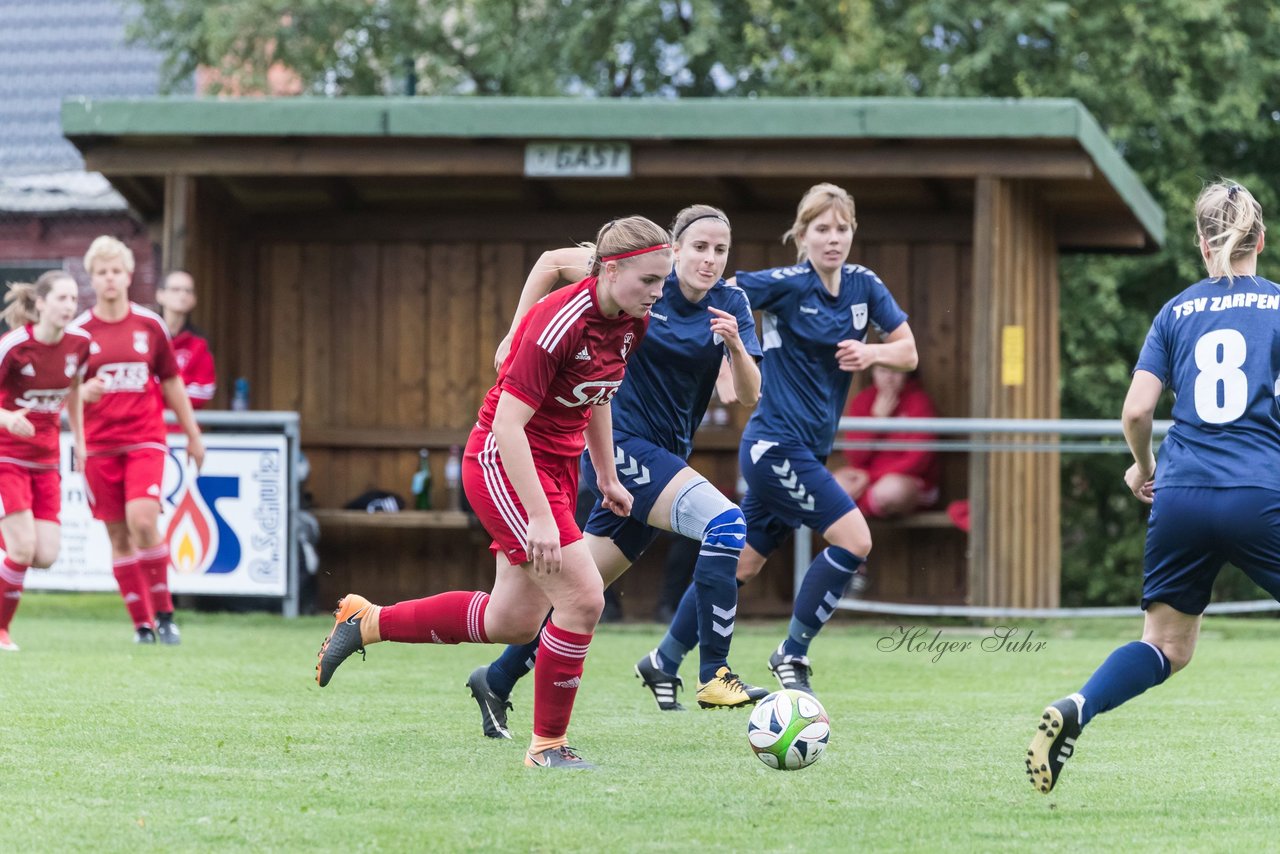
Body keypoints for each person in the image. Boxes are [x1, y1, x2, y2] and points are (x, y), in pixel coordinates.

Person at [316, 216, 670, 770]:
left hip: (555, 466)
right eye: (649, 280)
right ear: (613, 268)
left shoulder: (631, 321)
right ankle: (547, 747)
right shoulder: (558, 322)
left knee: (513, 622)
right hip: (504, 462)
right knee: (583, 598)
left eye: (663, 282)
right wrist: (540, 518)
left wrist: (607, 476)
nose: (658, 293)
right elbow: (507, 428)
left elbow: (597, 393)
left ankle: (366, 622)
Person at [464, 205, 766, 737]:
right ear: (674, 249)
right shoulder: (637, 272)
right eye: (699, 247)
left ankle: (498, 677)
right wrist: (514, 335)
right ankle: (713, 671)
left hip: (666, 458)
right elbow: (550, 263)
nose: (709, 259)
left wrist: (738, 348)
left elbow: (743, 394)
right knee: (727, 526)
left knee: (576, 596)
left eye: (721, 249)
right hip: (623, 446)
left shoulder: (731, 303)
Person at [1028, 180, 1280, 794]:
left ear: (1201, 243)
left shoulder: (1174, 311)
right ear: (1262, 239)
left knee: (1166, 644)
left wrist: (1144, 468)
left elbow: (1137, 411)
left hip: (1182, 494)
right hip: (1258, 490)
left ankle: (1079, 706)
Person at [655, 183, 918, 699]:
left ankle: (663, 659)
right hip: (775, 447)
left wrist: (873, 356)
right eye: (822, 229)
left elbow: (908, 351)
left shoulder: (865, 285)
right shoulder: (784, 284)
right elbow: (718, 293)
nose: (833, 239)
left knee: (740, 565)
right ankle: (792, 653)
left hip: (808, 450)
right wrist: (725, 366)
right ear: (802, 235)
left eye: (842, 229)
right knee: (855, 539)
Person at [69, 237, 206, 645]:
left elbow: (171, 381)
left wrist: (193, 434)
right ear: (92, 278)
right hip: (98, 446)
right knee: (118, 536)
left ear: (129, 275)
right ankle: (142, 624)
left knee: (143, 521)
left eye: (116, 271)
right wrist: (80, 404)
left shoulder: (150, 325)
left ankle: (165, 614)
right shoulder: (78, 334)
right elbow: (63, 390)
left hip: (145, 439)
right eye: (101, 272)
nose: (109, 278)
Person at [0, 271, 92, 651]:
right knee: (20, 550)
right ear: (40, 303)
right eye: (61, 298)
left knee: (45, 555)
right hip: (7, 456)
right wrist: (6, 418)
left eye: (73, 299)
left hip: (47, 461)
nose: (69, 306)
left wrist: (81, 444)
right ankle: (1, 630)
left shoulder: (81, 344)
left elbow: (73, 393)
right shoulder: (15, 346)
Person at [833, 365, 940, 518]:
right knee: (833, 485)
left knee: (891, 490)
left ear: (907, 373)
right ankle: (862, 507)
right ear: (873, 373)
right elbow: (855, 456)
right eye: (882, 371)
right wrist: (876, 419)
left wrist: (870, 477)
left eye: (896, 371)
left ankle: (855, 510)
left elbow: (918, 462)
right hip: (864, 479)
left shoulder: (920, 402)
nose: (889, 377)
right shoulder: (863, 400)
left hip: (908, 481)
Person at [155, 271, 217, 418]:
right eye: (175, 289)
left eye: (188, 291)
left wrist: (164, 388)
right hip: (151, 430)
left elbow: (204, 391)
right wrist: (181, 385)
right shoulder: (148, 338)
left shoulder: (199, 342)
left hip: (186, 431)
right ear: (160, 295)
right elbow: (138, 388)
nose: (182, 295)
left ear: (194, 299)